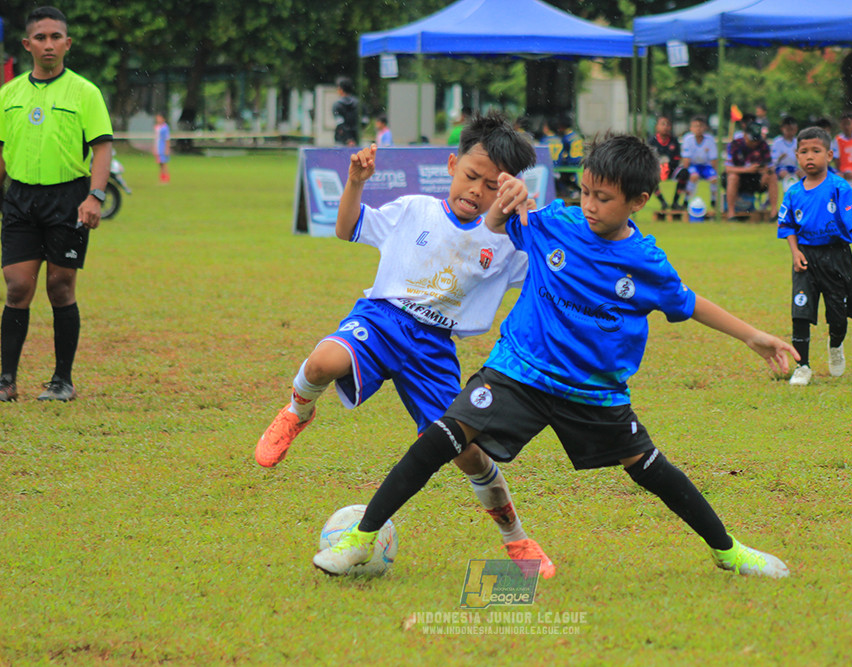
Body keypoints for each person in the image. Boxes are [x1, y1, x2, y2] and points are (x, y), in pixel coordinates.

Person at [313, 133, 798, 580]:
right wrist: (508, 199)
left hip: (592, 390)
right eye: (584, 192)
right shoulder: (554, 224)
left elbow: (688, 303)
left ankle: (728, 550)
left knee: (649, 467)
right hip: (518, 371)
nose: (589, 205)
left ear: (638, 201)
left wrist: (753, 336)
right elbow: (494, 224)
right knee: (443, 436)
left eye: (603, 198)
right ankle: (362, 537)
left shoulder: (646, 262)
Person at [255, 112, 555, 577]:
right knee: (321, 363)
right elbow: (347, 227)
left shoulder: (506, 245)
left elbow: (551, 269)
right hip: (382, 320)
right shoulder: (414, 210)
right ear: (452, 165)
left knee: (467, 454)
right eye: (470, 176)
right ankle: (297, 412)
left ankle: (516, 539)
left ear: (507, 190)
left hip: (434, 349)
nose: (475, 191)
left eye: (491, 186)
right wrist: (355, 182)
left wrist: (529, 220)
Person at [0, 6, 113, 403]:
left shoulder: (85, 92)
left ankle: (62, 380)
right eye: (41, 38)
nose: (48, 44)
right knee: (17, 286)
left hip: (68, 198)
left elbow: (102, 147)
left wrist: (95, 196)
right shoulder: (8, 95)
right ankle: (6, 380)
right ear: (26, 44)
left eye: (56, 37)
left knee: (60, 287)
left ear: (68, 43)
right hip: (20, 198)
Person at [777, 127, 852, 387]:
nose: (810, 156)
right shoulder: (793, 192)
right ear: (797, 156)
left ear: (829, 155)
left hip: (837, 255)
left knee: (839, 314)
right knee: (800, 311)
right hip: (806, 258)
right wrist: (795, 252)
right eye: (804, 151)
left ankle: (835, 345)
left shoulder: (838, 187)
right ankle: (802, 367)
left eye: (816, 151)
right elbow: (787, 226)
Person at [725, 121, 777, 221]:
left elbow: (770, 166)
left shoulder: (763, 145)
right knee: (733, 177)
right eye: (752, 140)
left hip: (756, 178)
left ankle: (774, 213)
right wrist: (747, 169)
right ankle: (731, 213)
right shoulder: (735, 145)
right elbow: (728, 168)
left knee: (772, 176)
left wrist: (764, 170)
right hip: (739, 178)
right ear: (745, 135)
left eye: (756, 140)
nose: (754, 143)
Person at [648, 114, 689, 219]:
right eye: (663, 124)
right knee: (648, 177)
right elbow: (648, 159)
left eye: (668, 125)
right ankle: (663, 202)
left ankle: (675, 201)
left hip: (671, 168)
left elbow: (677, 158)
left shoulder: (674, 141)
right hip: (656, 169)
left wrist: (668, 165)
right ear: (657, 126)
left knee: (684, 173)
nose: (665, 127)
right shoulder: (651, 141)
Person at [680, 116, 719, 210]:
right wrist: (687, 171)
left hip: (706, 166)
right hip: (693, 165)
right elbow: (686, 159)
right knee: (694, 177)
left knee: (714, 179)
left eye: (701, 126)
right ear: (691, 128)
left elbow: (713, 159)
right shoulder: (688, 139)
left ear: (705, 127)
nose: (698, 129)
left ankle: (714, 201)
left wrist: (716, 172)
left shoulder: (710, 140)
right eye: (695, 126)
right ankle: (686, 200)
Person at [552, 112, 584, 200]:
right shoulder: (577, 136)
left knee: (559, 178)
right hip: (580, 163)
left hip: (570, 164)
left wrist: (558, 163)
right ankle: (576, 192)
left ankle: (568, 194)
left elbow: (563, 154)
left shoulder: (566, 138)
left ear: (561, 126)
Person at [772, 116, 801, 188]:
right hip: (781, 167)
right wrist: (780, 158)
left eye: (792, 130)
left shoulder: (797, 142)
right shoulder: (777, 142)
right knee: (785, 174)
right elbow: (773, 161)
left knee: (802, 174)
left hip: (793, 167)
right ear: (782, 129)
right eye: (788, 130)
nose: (790, 132)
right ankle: (789, 190)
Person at [333, 77, 359, 147]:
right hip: (356, 138)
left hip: (341, 139)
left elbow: (340, 123)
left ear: (341, 89)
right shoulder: (358, 104)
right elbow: (364, 120)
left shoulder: (337, 105)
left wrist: (348, 138)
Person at [154, 113, 171, 183]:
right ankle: (162, 178)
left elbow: (167, 139)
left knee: (164, 163)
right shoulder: (157, 127)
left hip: (163, 147)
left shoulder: (165, 127)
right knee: (160, 164)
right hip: (158, 147)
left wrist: (167, 149)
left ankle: (166, 179)